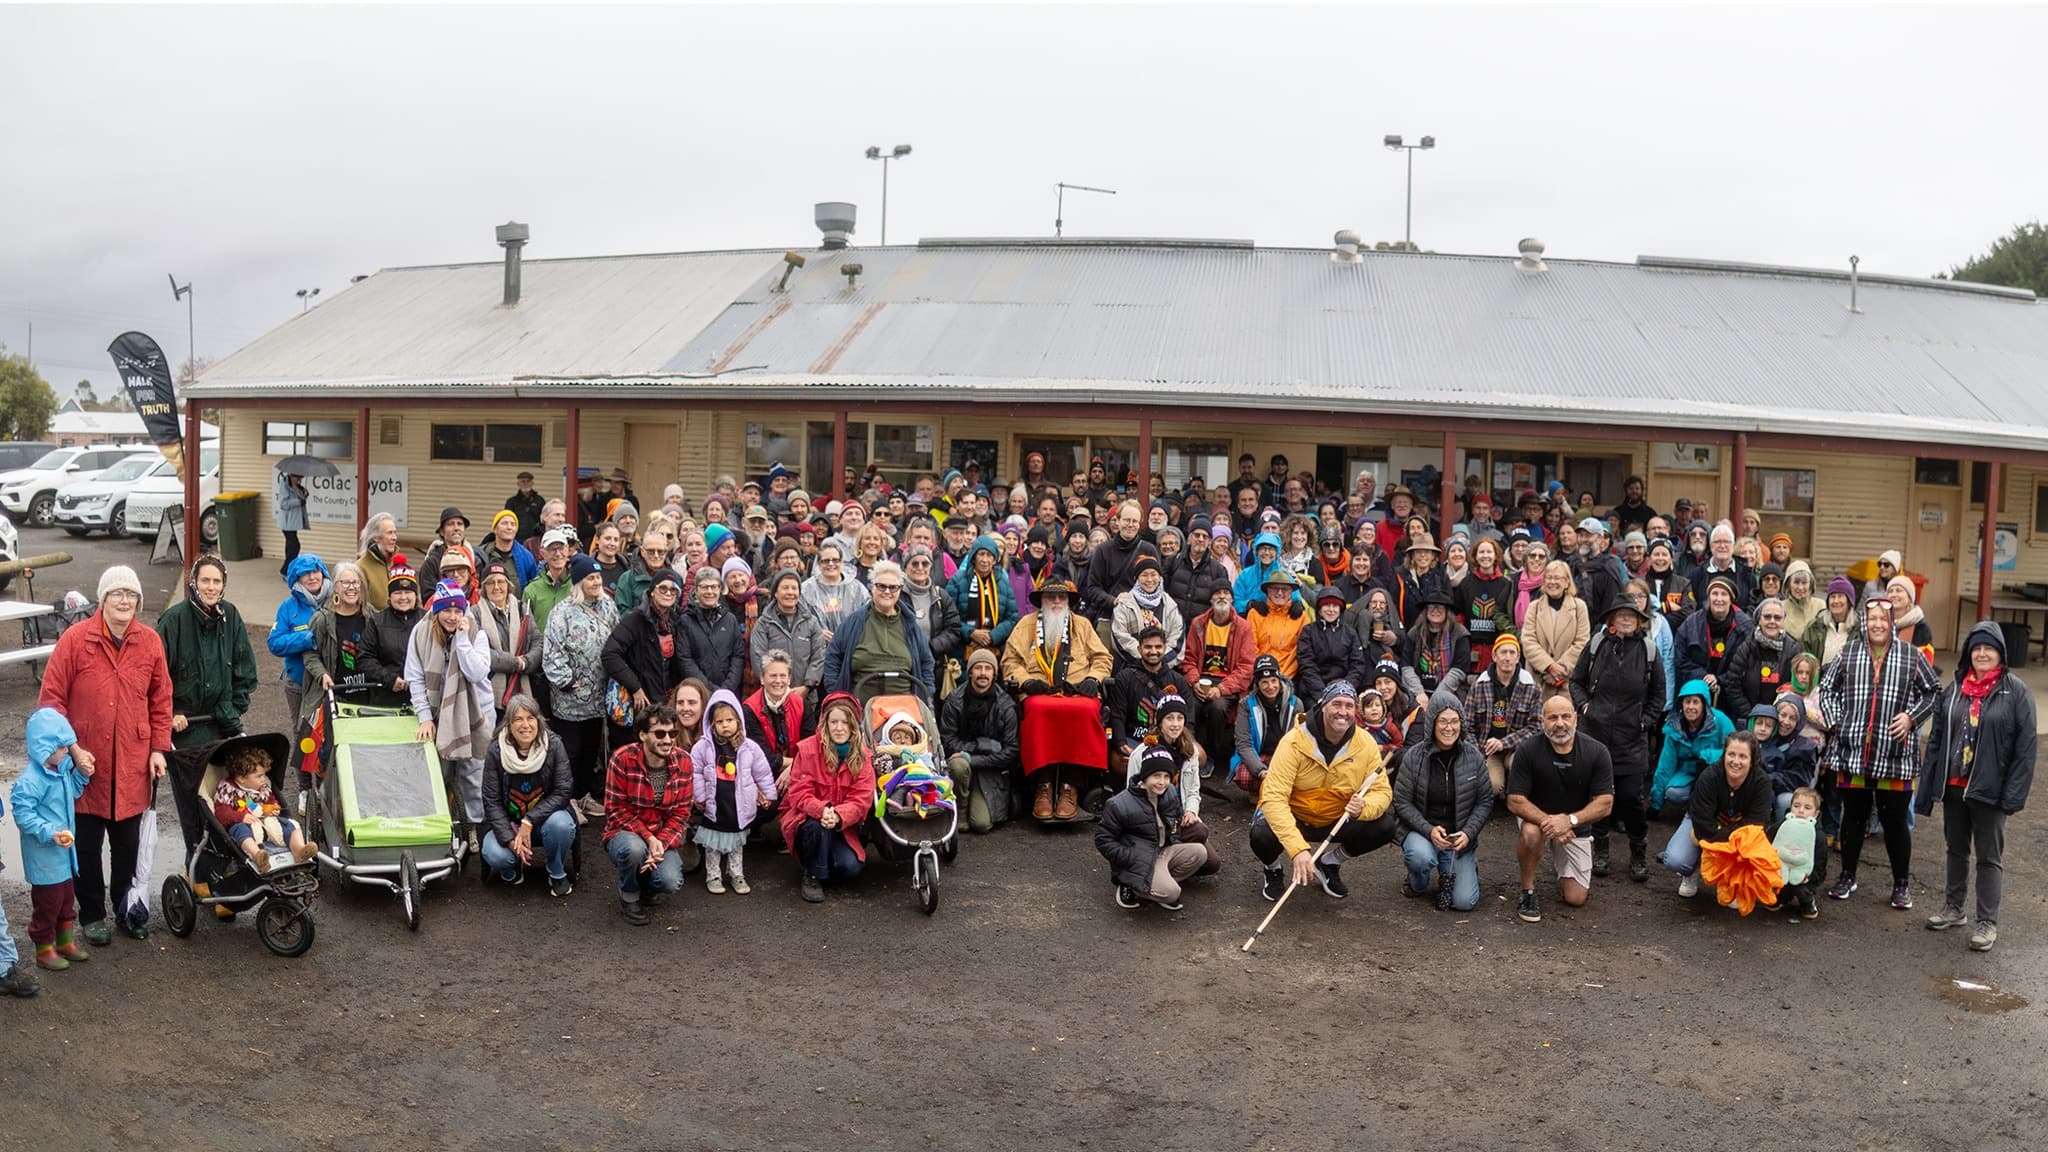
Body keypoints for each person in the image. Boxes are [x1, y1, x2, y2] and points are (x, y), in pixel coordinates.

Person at [35, 566, 171, 945]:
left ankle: (127, 909)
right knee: (87, 846)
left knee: (128, 846)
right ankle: (93, 915)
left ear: (139, 602)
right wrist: (72, 749)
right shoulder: (76, 640)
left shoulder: (150, 642)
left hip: (133, 763)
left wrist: (158, 748)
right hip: (84, 766)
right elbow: (50, 701)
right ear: (103, 599)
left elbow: (161, 700)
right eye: (117, 594)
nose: (125, 601)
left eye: (131, 594)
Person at [1917, 620, 2036, 952]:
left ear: (2000, 654)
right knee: (1955, 850)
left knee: (1989, 858)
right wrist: (1928, 786)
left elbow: (2025, 750)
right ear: (1969, 653)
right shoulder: (1954, 689)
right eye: (1977, 648)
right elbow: (1937, 740)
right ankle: (1954, 908)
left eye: (1989, 649)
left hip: (1990, 791)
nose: (1982, 654)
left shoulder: (2016, 692)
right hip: (1955, 785)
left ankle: (1987, 922)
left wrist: (2012, 795)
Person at [1819, 597, 1938, 908]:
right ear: (1864, 621)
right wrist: (1835, 720)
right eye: (1872, 618)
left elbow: (1933, 691)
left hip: (1894, 756)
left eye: (1884, 619)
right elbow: (1827, 688)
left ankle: (1901, 884)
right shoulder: (1848, 652)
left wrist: (1912, 718)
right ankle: (1847, 875)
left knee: (1895, 821)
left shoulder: (1911, 656)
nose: (1878, 624)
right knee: (1854, 818)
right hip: (1852, 754)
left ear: (1892, 622)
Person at [1250, 681, 1395, 902]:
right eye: (1337, 704)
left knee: (1385, 826)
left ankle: (1329, 862)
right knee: (1260, 834)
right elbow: (1274, 798)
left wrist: (1362, 809)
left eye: (1349, 706)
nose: (1343, 712)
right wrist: (1297, 850)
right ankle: (1273, 868)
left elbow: (1382, 791)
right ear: (1323, 705)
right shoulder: (1293, 743)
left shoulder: (1365, 743)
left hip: (1336, 818)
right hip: (1296, 815)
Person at [1507, 695, 1615, 922]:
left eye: (1566, 716)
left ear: (1575, 718)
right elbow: (1515, 800)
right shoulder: (1527, 749)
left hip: (1576, 826)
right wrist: (1552, 822)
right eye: (1552, 717)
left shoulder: (1597, 751)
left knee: (1575, 898)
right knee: (1530, 833)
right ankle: (1527, 890)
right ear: (1542, 720)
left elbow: (1605, 803)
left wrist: (1570, 821)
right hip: (1538, 819)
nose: (1560, 723)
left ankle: (1560, 859)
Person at [406, 580, 497, 839]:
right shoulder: (420, 633)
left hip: (475, 714)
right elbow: (415, 678)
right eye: (447, 610)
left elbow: (477, 672)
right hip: (437, 714)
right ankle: (441, 830)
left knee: (472, 775)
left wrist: (462, 641)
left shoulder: (475, 633)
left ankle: (473, 830)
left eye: (459, 611)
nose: (453, 616)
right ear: (437, 610)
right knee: (440, 773)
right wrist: (425, 718)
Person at [1394, 692, 1492, 911]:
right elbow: (1401, 801)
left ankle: (1460, 866)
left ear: (1461, 723)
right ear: (1432, 723)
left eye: (1455, 721)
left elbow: (1484, 800)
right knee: (1420, 857)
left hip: (1458, 838)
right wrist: (1428, 830)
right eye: (1443, 721)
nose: (1449, 728)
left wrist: (1468, 832)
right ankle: (1417, 881)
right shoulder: (1414, 756)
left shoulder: (1473, 756)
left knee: (1464, 902)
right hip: (1424, 833)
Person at [153, 554, 257, 754]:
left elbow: (245, 669)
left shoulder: (231, 616)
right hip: (184, 727)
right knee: (190, 783)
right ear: (194, 583)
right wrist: (171, 713)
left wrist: (233, 709)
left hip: (221, 723)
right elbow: (155, 675)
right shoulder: (174, 620)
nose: (211, 587)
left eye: (217, 581)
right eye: (205, 580)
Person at [15, 709, 92, 973]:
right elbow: (23, 815)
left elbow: (75, 791)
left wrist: (83, 772)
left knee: (65, 900)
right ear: (43, 746)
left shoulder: (60, 772)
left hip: (63, 856)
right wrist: (50, 833)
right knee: (47, 904)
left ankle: (65, 941)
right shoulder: (31, 781)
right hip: (45, 856)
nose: (66, 751)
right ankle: (44, 948)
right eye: (60, 746)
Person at [780, 692, 876, 903]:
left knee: (851, 868)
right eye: (833, 721)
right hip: (808, 819)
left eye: (845, 722)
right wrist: (822, 810)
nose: (839, 727)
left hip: (841, 825)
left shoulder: (863, 755)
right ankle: (812, 874)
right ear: (825, 723)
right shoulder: (807, 749)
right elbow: (798, 792)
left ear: (853, 725)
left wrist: (839, 816)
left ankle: (823, 862)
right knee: (816, 827)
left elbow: (862, 800)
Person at [479, 695, 576, 896]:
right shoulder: (496, 751)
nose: (525, 725)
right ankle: (511, 867)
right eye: (518, 719)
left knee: (562, 825)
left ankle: (556, 871)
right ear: (508, 724)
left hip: (543, 821)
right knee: (495, 854)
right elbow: (491, 800)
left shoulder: (554, 745)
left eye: (530, 718)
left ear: (538, 720)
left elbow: (563, 791)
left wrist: (529, 820)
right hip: (509, 823)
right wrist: (509, 837)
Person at [604, 705, 692, 924]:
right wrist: (649, 838)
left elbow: (681, 814)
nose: (667, 739)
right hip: (625, 833)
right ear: (642, 735)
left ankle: (646, 881)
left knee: (670, 882)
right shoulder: (622, 759)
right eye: (660, 733)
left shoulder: (684, 761)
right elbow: (614, 809)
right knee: (633, 849)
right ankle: (629, 894)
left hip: (661, 836)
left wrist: (660, 844)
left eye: (672, 733)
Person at [1659, 731, 1773, 899]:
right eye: (1731, 754)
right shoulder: (1709, 777)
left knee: (1753, 847)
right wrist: (1724, 839)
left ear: (1752, 760)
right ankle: (1692, 871)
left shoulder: (1761, 782)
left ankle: (1733, 882)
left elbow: (1757, 823)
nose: (1736, 761)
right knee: (1675, 860)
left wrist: (1731, 840)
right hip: (1705, 826)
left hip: (1741, 834)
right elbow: (1703, 825)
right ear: (1724, 754)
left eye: (1743, 756)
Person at [1098, 746, 1211, 911]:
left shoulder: (1170, 792)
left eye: (1166, 776)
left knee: (1200, 852)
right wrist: (1128, 857)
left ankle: (1155, 883)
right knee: (1173, 893)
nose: (1162, 782)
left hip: (1161, 850)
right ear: (1145, 776)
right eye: (1156, 776)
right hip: (1138, 858)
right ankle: (1130, 884)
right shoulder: (1119, 804)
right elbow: (1103, 840)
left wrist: (1175, 833)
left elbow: (1176, 818)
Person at [690, 689, 777, 895]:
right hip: (715, 805)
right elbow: (694, 771)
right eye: (719, 722)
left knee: (736, 844)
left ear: (738, 719)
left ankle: (736, 873)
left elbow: (762, 772)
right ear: (712, 723)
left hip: (739, 806)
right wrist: (700, 796)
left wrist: (768, 794)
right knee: (713, 844)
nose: (725, 725)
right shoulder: (703, 747)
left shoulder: (749, 748)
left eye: (729, 720)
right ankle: (713, 875)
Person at [603, 568, 690, 754]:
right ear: (651, 591)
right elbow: (610, 654)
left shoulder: (676, 620)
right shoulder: (635, 620)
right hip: (640, 702)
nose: (668, 593)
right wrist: (635, 687)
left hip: (666, 699)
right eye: (663, 588)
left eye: (673, 590)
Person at [823, 560, 935, 699]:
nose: (887, 591)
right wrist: (838, 697)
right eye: (881, 586)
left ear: (900, 589)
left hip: (903, 711)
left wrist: (925, 695)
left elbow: (926, 663)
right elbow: (833, 659)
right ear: (872, 588)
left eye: (893, 587)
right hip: (860, 709)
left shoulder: (910, 626)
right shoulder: (853, 622)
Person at [940, 648, 1022, 832]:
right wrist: (980, 745)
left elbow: (1011, 752)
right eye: (978, 668)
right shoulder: (954, 700)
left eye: (988, 668)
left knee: (981, 824)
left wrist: (973, 759)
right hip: (960, 768)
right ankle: (960, 808)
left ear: (994, 673)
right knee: (959, 765)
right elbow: (947, 741)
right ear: (970, 672)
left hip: (990, 771)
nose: (983, 673)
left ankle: (974, 803)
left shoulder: (1005, 706)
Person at [1181, 583, 1256, 778]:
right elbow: (1188, 659)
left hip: (1228, 683)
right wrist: (1194, 680)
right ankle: (1188, 751)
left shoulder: (1243, 627)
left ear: (1232, 598)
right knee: (1190, 704)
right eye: (1217, 593)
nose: (1222, 597)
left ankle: (1211, 756)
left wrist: (1222, 688)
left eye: (1225, 593)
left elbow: (1246, 667)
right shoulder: (1198, 623)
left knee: (1217, 707)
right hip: (1202, 678)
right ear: (1211, 598)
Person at [210, 740, 317, 873]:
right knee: (241, 831)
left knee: (291, 825)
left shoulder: (262, 787)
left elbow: (270, 799)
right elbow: (221, 813)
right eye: (259, 776)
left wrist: (273, 807)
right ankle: (257, 855)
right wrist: (240, 816)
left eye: (264, 775)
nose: (263, 779)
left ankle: (299, 850)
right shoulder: (229, 790)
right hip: (245, 824)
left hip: (267, 823)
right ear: (241, 778)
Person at [1465, 633, 1543, 800]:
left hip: (1518, 749)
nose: (1507, 658)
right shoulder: (1479, 686)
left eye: (1512, 653)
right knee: (1493, 786)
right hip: (1488, 750)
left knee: (1520, 767)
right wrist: (1478, 753)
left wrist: (1504, 743)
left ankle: (1516, 797)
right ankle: (1499, 792)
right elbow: (1467, 725)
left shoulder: (1531, 687)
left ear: (1518, 657)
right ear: (1494, 656)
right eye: (1503, 652)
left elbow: (1536, 727)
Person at [1650, 679, 1733, 817]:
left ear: (1704, 704)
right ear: (1681, 704)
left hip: (1715, 773)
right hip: (1687, 772)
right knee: (1673, 793)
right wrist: (1655, 803)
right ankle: (1691, 806)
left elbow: (1734, 750)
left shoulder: (1721, 720)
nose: (1690, 707)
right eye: (1687, 702)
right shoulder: (1674, 727)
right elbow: (1665, 765)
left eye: (1695, 702)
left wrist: (1708, 756)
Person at [268, 554, 328, 736]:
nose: (311, 577)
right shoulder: (288, 607)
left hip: (328, 681)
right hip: (297, 682)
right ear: (296, 578)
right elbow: (274, 643)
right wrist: (305, 639)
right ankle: (300, 766)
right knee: (303, 732)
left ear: (323, 573)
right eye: (305, 574)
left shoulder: (335, 601)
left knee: (328, 731)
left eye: (315, 571)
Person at [360, 555, 425, 709]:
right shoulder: (377, 621)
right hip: (385, 699)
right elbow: (365, 658)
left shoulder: (427, 620)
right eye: (397, 592)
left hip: (422, 699)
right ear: (389, 596)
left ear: (416, 595)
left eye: (408, 592)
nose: (403, 597)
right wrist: (389, 679)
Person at [1520, 561, 1588, 702]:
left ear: (1567, 582)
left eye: (1557, 578)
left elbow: (1582, 642)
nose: (1552, 582)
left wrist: (1561, 669)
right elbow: (1528, 641)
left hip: (1567, 681)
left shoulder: (1579, 607)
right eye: (1549, 578)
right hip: (1539, 680)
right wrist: (1549, 666)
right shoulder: (1534, 607)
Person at [473, 560, 537, 708]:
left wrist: (527, 662)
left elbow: (537, 642)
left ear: (508, 585)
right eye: (491, 583)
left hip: (522, 687)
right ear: (484, 587)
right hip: (489, 694)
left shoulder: (523, 609)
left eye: (501, 582)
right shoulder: (475, 613)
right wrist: (515, 663)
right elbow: (478, 652)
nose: (496, 587)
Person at [951, 533, 1020, 659]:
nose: (984, 560)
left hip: (994, 649)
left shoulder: (1003, 582)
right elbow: (949, 616)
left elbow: (1012, 617)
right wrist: (971, 633)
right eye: (981, 554)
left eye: (989, 555)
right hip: (963, 650)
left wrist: (992, 636)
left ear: (995, 560)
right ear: (973, 557)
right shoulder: (958, 580)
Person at [1295, 584, 1367, 702]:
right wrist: (1322, 695)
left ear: (1340, 610)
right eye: (1327, 605)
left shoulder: (1350, 633)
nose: (1331, 610)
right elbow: (1307, 665)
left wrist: (1343, 690)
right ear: (1319, 609)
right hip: (1314, 693)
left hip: (1344, 691)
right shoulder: (1308, 631)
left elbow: (1357, 665)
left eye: (1335, 606)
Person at [679, 565, 746, 693]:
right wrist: (708, 688)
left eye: (714, 587)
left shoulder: (730, 619)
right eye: (704, 587)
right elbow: (685, 659)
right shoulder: (686, 621)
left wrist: (728, 687)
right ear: (696, 590)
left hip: (728, 691)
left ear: (720, 589)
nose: (709, 591)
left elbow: (738, 655)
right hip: (699, 692)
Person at [1398, 586, 1469, 702]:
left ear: (1447, 610)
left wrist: (1438, 696)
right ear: (1425, 610)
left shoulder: (1459, 634)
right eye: (1431, 606)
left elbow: (1459, 670)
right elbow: (1407, 667)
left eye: (1440, 606)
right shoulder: (1414, 633)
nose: (1435, 610)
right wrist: (1419, 693)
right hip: (1418, 692)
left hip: (1450, 692)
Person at [801, 541, 870, 645]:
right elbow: (800, 621)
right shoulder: (807, 589)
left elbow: (868, 615)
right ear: (819, 563)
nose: (831, 564)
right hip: (818, 650)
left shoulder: (856, 588)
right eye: (826, 561)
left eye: (835, 560)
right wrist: (816, 632)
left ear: (841, 562)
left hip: (850, 647)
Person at [1775, 786, 1822, 920]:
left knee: (1801, 887)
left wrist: (1811, 877)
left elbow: (1820, 864)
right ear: (1790, 808)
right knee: (1779, 886)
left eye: (1807, 808)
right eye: (1796, 806)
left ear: (1815, 814)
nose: (1801, 811)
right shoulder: (1781, 826)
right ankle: (1781, 897)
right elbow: (1769, 842)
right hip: (1782, 870)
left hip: (1803, 875)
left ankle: (1807, 902)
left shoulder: (1818, 836)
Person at [1802, 576, 1860, 667]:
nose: (1836, 601)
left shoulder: (1860, 629)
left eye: (1840, 596)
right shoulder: (1814, 627)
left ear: (1849, 602)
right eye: (1832, 597)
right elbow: (1805, 659)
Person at [272, 467, 310, 576]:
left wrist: (304, 494)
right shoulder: (285, 485)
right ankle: (284, 570)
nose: (298, 480)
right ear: (291, 475)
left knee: (290, 546)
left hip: (293, 522)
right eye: (297, 477)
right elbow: (284, 504)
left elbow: (301, 499)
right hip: (287, 522)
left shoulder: (297, 486)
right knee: (295, 546)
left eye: (300, 478)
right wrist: (299, 501)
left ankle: (288, 569)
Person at [505, 470, 546, 540]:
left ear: (532, 483)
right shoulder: (511, 502)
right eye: (523, 481)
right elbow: (507, 521)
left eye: (528, 481)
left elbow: (544, 521)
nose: (525, 484)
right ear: (518, 484)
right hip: (516, 539)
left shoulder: (540, 501)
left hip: (535, 539)